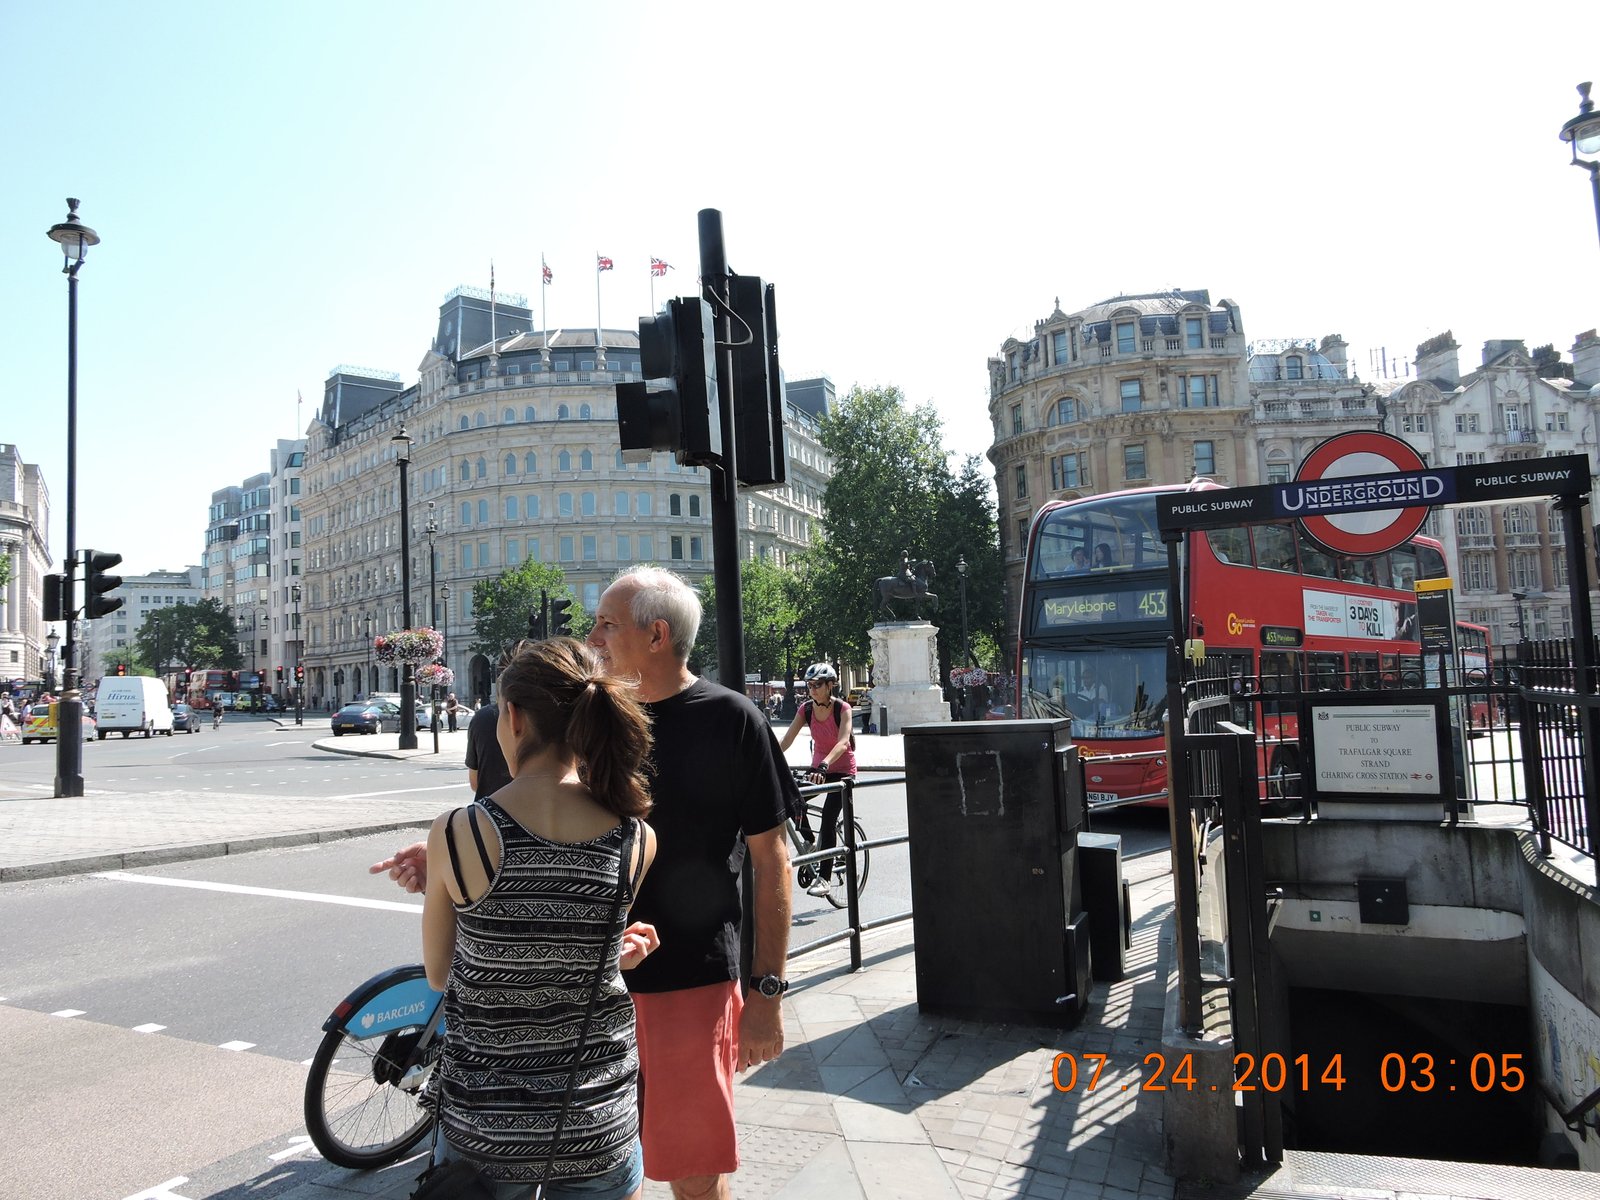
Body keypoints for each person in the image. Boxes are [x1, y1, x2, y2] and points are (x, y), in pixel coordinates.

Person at [375, 566, 793, 1199]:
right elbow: (519, 830)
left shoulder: (730, 719)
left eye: (606, 623)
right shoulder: (582, 719)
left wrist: (766, 991)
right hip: (587, 994)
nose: (592, 633)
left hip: (684, 979)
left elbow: (773, 860)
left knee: (693, 1174)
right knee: (599, 1157)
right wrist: (444, 861)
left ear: (657, 635)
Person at [422, 637, 659, 1197]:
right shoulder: (635, 837)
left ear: (514, 717)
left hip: (485, 1128)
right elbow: (573, 947)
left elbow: (440, 973)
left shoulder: (459, 832)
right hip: (596, 1122)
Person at [778, 663, 856, 897]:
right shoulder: (806, 710)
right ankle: (811, 842)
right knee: (791, 798)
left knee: (828, 820)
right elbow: (787, 738)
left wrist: (824, 764)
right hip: (818, 770)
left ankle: (825, 878)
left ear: (830, 685)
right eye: (809, 685)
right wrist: (767, 757)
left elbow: (843, 742)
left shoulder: (842, 709)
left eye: (818, 685)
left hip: (842, 770)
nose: (812, 690)